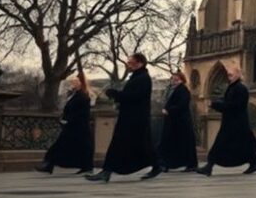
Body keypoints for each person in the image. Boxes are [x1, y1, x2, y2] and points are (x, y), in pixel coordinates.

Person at [86, 53, 160, 182]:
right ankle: (107, 171)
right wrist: (118, 95)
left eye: (131, 62)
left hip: (135, 119)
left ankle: (107, 171)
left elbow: (135, 97)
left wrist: (116, 95)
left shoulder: (143, 78)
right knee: (139, 145)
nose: (128, 65)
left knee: (129, 144)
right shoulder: (137, 77)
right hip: (130, 116)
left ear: (140, 63)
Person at [197, 66, 256, 176]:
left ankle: (209, 166)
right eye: (228, 73)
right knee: (241, 145)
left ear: (238, 75)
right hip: (232, 122)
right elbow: (227, 102)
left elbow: (233, 106)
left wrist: (215, 105)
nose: (228, 75)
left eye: (231, 73)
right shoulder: (232, 87)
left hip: (236, 123)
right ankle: (254, 163)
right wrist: (217, 103)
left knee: (223, 144)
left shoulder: (240, 88)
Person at [36, 73, 94, 174]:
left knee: (65, 145)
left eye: (76, 81)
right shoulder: (75, 94)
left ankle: (50, 164)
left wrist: (69, 119)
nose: (73, 83)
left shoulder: (83, 96)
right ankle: (49, 164)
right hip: (73, 126)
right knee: (64, 145)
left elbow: (82, 112)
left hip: (78, 126)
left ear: (81, 83)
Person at [158, 70, 198, 172]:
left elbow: (182, 105)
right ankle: (166, 163)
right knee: (172, 142)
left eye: (176, 79)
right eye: (173, 79)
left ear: (181, 80)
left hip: (180, 121)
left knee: (180, 143)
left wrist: (169, 110)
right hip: (174, 121)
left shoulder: (182, 90)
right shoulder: (171, 89)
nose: (174, 81)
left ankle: (170, 164)